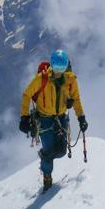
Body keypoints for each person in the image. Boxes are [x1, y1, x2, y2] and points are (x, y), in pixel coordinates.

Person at [19, 49, 88, 191]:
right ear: (51, 65)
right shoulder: (42, 79)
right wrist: (24, 117)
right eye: (56, 67)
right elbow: (27, 95)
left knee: (62, 151)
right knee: (50, 149)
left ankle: (44, 156)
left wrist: (81, 117)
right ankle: (47, 177)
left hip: (61, 118)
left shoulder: (70, 80)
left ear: (66, 67)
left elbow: (76, 99)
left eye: (62, 68)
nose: (59, 71)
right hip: (44, 120)